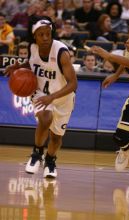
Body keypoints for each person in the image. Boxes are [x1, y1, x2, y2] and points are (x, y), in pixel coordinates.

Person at [5, 15, 77, 178]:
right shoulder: (32, 48)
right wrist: (18, 67)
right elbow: (33, 63)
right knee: (45, 119)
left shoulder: (61, 53)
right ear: (34, 36)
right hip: (41, 93)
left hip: (64, 97)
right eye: (41, 34)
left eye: (48, 34)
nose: (45, 38)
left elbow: (73, 84)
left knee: (56, 138)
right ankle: (36, 154)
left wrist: (52, 98)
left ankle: (50, 161)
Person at [89, 24, 129, 171]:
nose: (127, 41)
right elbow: (126, 61)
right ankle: (126, 149)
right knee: (119, 137)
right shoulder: (128, 52)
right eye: (127, 38)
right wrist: (116, 75)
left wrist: (108, 56)